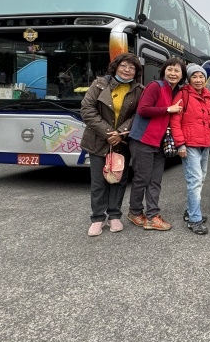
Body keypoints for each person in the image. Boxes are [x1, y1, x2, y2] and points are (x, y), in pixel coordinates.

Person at [80, 53, 143, 236]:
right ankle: (98, 218)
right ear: (115, 67)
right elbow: (87, 109)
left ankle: (114, 215)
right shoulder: (99, 84)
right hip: (98, 141)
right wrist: (109, 133)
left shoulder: (139, 89)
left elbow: (138, 115)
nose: (127, 70)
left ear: (136, 72)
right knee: (99, 182)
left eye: (132, 67)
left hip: (122, 141)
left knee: (118, 180)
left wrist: (120, 132)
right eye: (124, 65)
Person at [127, 57, 186, 231]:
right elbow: (143, 110)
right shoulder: (156, 86)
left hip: (160, 143)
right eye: (170, 69)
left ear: (182, 75)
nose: (173, 73)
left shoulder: (175, 91)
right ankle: (135, 212)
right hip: (143, 140)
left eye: (177, 71)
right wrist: (168, 109)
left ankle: (152, 215)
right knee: (142, 179)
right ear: (164, 71)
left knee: (155, 180)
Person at [170, 64, 210, 235]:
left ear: (205, 79)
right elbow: (175, 121)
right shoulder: (182, 95)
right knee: (195, 181)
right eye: (194, 77)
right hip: (189, 145)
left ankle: (190, 211)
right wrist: (180, 144)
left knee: (200, 179)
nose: (198, 80)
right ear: (189, 79)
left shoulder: (208, 96)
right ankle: (194, 219)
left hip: (205, 144)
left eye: (201, 77)